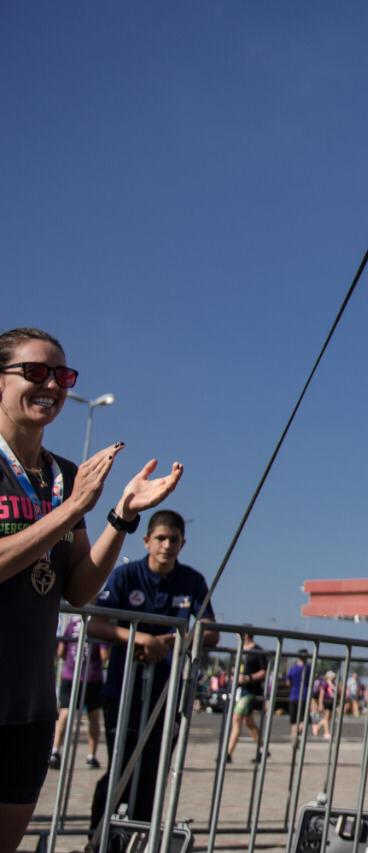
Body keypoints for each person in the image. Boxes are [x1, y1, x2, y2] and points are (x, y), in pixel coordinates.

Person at [0, 327, 183, 851]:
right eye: (35, 372)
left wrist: (121, 515)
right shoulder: (69, 493)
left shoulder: (63, 475)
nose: (52, 385)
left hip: (29, 706)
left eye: (63, 376)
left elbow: (79, 589)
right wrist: (73, 509)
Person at [87, 510, 216, 838]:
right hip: (123, 689)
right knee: (121, 767)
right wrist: (141, 638)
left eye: (174, 539)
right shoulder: (125, 575)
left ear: (183, 543)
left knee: (152, 774)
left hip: (166, 692)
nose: (167, 545)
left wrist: (171, 640)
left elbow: (210, 631)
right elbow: (96, 625)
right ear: (146, 540)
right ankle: (99, 838)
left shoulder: (192, 581)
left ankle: (139, 837)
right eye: (160, 538)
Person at [49, 614, 110, 770]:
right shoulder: (99, 622)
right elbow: (104, 655)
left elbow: (61, 651)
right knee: (94, 716)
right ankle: (91, 756)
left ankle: (55, 751)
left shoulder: (72, 622)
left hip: (70, 674)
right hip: (92, 676)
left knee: (64, 713)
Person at [226, 633, 268, 763]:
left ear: (246, 635)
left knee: (236, 718)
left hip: (251, 691)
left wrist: (248, 678)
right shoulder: (240, 650)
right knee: (248, 722)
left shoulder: (258, 651)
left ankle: (228, 753)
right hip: (239, 690)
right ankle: (263, 749)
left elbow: (264, 671)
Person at [284, 651, 312, 747]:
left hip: (293, 696)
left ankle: (294, 737)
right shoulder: (308, 668)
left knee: (293, 721)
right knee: (304, 719)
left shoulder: (293, 668)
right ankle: (297, 734)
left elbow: (288, 683)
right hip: (304, 696)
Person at [312, 671, 336, 740]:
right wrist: (320, 704)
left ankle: (317, 726)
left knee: (328, 718)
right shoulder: (325, 684)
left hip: (331, 702)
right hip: (326, 702)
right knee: (326, 717)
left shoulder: (334, 684)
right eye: (332, 676)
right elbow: (321, 694)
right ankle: (326, 732)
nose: (333, 678)